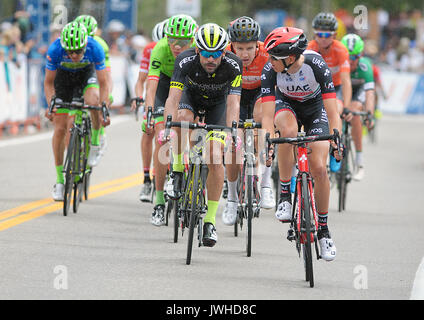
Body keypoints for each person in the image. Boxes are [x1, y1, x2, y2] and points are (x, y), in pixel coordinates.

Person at [261, 27, 342, 261]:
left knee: (318, 168)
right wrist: (268, 140)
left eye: (274, 57)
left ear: (289, 57)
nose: (269, 61)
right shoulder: (270, 70)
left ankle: (324, 230)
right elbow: (267, 116)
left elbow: (331, 108)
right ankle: (285, 194)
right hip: (286, 106)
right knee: (288, 132)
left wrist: (335, 137)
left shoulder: (316, 65)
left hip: (315, 110)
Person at [164, 23, 242, 247]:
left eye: (216, 54)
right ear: (197, 51)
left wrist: (232, 131)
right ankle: (177, 170)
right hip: (191, 98)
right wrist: (169, 126)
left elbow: (234, 102)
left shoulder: (234, 65)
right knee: (182, 118)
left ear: (224, 52)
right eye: (206, 54)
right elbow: (173, 98)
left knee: (215, 157)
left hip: (218, 105)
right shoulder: (185, 61)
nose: (211, 59)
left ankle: (209, 222)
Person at [44, 21, 110, 201]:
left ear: (85, 46)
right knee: (59, 128)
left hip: (86, 75)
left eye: (78, 51)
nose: (73, 55)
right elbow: (49, 83)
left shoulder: (95, 47)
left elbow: (103, 83)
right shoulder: (55, 50)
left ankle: (95, 141)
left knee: (93, 101)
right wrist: (51, 104)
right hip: (63, 79)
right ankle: (59, 180)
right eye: (69, 52)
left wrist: (103, 106)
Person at [143, 14, 197, 226]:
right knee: (162, 137)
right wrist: (149, 110)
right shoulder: (159, 49)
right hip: (166, 85)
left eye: (182, 42)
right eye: (171, 40)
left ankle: (187, 173)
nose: (176, 46)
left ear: (192, 41)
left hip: (188, 85)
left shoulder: (196, 52)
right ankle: (158, 202)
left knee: (189, 127)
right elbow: (152, 84)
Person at [222, 16, 274, 227]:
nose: (244, 54)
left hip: (260, 94)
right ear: (232, 45)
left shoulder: (267, 55)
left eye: (249, 48)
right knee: (234, 146)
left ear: (258, 45)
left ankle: (266, 183)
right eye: (239, 48)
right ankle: (232, 198)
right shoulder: (224, 53)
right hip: (235, 95)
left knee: (263, 121)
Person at [308, 12, 351, 172]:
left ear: (334, 34)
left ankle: (335, 148)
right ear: (315, 34)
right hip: (317, 88)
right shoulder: (309, 48)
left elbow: (346, 80)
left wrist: (346, 106)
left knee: (337, 110)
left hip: (336, 87)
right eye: (320, 34)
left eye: (327, 34)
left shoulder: (340, 50)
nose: (323, 38)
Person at [131, 19, 168, 202]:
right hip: (157, 87)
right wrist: (140, 98)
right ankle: (147, 178)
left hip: (175, 86)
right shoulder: (151, 49)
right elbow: (142, 81)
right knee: (149, 131)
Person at [75, 15, 112, 156]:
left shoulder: (100, 45)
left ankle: (99, 135)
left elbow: (106, 76)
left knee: (95, 101)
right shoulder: (72, 45)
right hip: (76, 73)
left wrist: (107, 94)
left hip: (94, 75)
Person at [341, 33, 375, 181]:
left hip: (358, 92)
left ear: (360, 55)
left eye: (354, 57)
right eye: (348, 56)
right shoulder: (338, 63)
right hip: (342, 91)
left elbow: (370, 93)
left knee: (354, 113)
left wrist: (369, 114)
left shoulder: (365, 66)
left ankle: (359, 162)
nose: (351, 60)